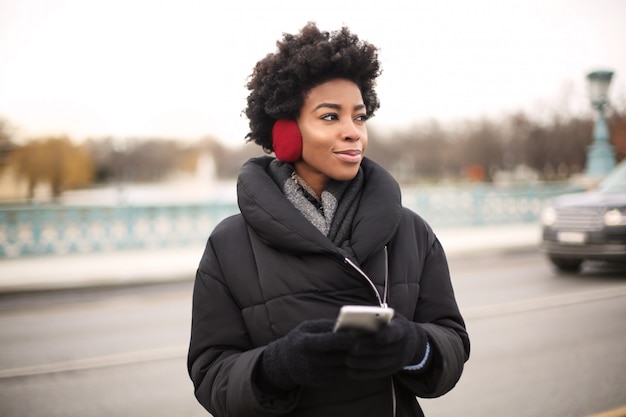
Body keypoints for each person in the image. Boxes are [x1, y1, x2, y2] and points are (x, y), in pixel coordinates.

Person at [187, 22, 470, 417]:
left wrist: (416, 347)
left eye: (359, 117)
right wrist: (274, 368)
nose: (354, 132)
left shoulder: (411, 230)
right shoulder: (229, 244)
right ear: (286, 131)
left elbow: (452, 342)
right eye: (330, 117)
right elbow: (210, 375)